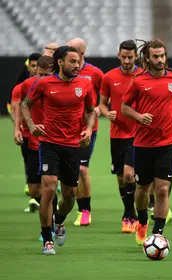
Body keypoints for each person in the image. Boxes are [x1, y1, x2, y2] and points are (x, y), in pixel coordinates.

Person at [21, 46, 96, 255]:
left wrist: (88, 130)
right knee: (50, 187)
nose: (77, 65)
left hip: (73, 146)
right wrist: (32, 125)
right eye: (72, 61)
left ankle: (59, 222)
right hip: (49, 143)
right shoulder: (44, 83)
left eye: (78, 61)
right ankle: (47, 239)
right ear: (60, 63)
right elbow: (25, 105)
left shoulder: (85, 84)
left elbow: (91, 111)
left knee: (70, 195)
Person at [121, 37, 172, 245]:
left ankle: (158, 233)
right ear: (148, 59)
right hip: (143, 145)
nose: (160, 60)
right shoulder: (139, 81)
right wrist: (139, 117)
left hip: (167, 143)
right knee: (142, 188)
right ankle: (142, 221)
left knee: (162, 189)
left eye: (162, 56)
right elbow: (124, 107)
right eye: (156, 56)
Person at [99, 40, 142, 233]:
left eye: (130, 57)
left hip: (138, 134)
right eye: (123, 57)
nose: (126, 60)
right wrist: (106, 113)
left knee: (129, 175)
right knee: (120, 177)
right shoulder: (109, 77)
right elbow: (101, 104)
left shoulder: (143, 76)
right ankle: (131, 211)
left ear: (136, 57)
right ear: (118, 56)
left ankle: (128, 216)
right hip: (117, 135)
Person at [67, 38, 104, 226]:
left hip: (87, 129)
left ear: (81, 53)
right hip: (65, 130)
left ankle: (85, 211)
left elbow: (107, 95)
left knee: (82, 169)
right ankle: (76, 208)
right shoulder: (63, 72)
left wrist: (98, 109)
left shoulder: (95, 73)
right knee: (70, 172)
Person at [14, 56, 55, 215]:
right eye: (40, 74)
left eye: (47, 75)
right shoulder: (27, 85)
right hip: (34, 141)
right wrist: (17, 128)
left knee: (50, 184)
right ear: (35, 71)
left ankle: (52, 219)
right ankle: (51, 211)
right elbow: (20, 105)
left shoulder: (60, 86)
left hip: (55, 141)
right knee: (33, 189)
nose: (43, 79)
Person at [10, 52, 41, 197]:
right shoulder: (20, 88)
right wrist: (16, 128)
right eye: (33, 65)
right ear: (28, 67)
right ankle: (33, 189)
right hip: (27, 134)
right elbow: (16, 108)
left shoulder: (48, 85)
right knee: (29, 162)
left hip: (45, 134)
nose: (35, 68)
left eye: (37, 65)